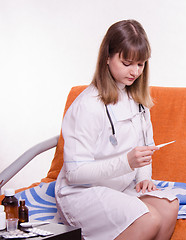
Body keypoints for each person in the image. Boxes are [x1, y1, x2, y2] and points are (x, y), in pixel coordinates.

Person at [55, 20, 179, 240]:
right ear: (107, 57)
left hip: (118, 187)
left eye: (140, 64)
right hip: (82, 192)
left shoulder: (138, 100)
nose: (135, 72)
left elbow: (145, 145)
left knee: (170, 206)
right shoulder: (88, 105)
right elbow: (75, 174)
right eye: (127, 63)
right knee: (149, 219)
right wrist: (127, 162)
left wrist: (143, 176)